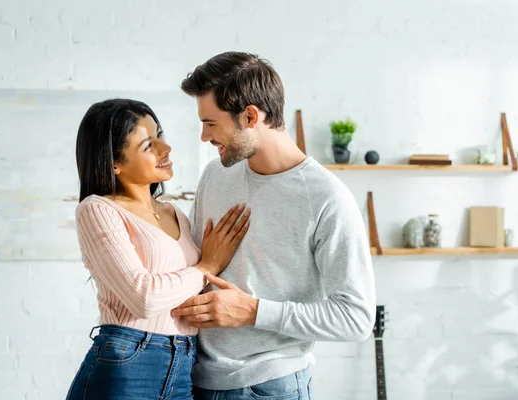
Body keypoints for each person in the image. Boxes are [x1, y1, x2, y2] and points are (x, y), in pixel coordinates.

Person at [172, 52, 376, 399]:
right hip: (197, 380)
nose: (204, 137)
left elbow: (356, 318)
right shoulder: (216, 176)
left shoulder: (327, 198)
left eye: (211, 123)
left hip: (270, 387)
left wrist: (253, 311)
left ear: (250, 116)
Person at [66, 98, 250, 400]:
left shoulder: (174, 213)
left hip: (184, 364)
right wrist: (206, 267)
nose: (166, 149)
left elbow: (187, 295)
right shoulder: (98, 209)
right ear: (114, 162)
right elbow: (144, 298)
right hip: (127, 366)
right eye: (148, 145)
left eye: (160, 135)